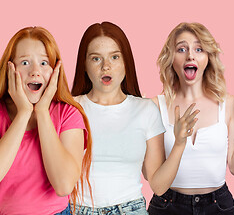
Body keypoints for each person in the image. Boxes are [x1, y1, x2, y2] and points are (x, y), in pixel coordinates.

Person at [147, 22, 234, 215]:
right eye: (181, 49)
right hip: (168, 205)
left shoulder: (228, 104)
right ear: (171, 58)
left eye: (199, 49)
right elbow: (156, 183)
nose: (190, 55)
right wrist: (179, 143)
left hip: (218, 206)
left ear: (208, 57)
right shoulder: (154, 107)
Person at [71, 22, 197, 215]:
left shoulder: (146, 110)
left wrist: (179, 143)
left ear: (126, 63)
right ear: (85, 66)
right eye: (96, 59)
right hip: (77, 210)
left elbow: (158, 185)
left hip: (130, 210)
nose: (106, 66)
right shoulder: (71, 109)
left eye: (114, 57)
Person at [0, 26, 92, 215]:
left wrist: (41, 111)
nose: (35, 71)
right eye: (25, 62)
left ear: (56, 70)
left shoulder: (69, 115)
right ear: (9, 68)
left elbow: (64, 185)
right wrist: (24, 113)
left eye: (44, 63)